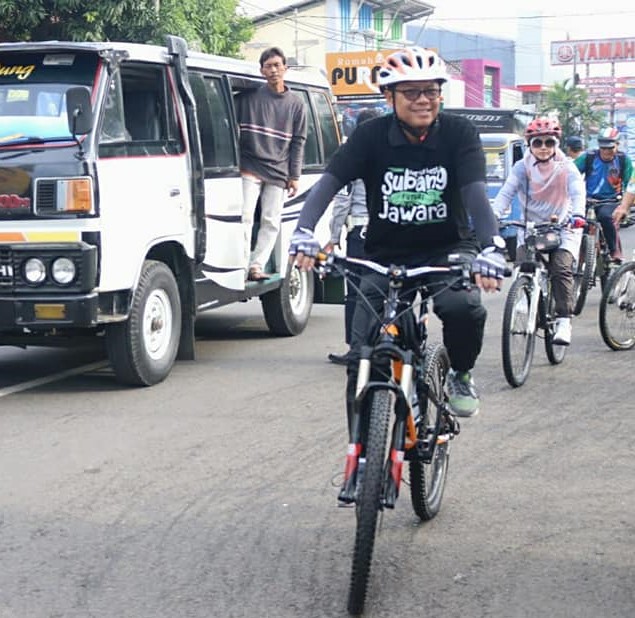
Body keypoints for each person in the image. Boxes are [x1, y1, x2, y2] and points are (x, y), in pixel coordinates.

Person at [289, 46, 507, 434]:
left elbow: (475, 192)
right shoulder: (370, 136)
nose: (423, 100)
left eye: (431, 91)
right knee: (362, 356)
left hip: (448, 249)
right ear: (389, 97)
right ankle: (360, 453)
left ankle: (460, 372)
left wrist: (490, 246)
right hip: (385, 253)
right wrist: (304, 230)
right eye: (411, 92)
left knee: (462, 307)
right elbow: (329, 184)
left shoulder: (459, 134)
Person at [492, 117, 586, 346]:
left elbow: (577, 192)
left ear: (556, 145)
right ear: (529, 145)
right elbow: (506, 193)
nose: (543, 148)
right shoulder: (521, 167)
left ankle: (564, 320)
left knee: (561, 268)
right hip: (531, 225)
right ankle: (525, 294)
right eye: (538, 143)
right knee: (524, 264)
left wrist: (578, 216)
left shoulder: (567, 167)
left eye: (549, 142)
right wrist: (493, 217)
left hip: (564, 224)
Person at [235, 47, 307, 281]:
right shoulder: (248, 99)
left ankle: (256, 265)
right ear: (262, 71)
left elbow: (298, 142)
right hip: (250, 165)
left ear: (285, 68)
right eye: (269, 66)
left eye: (277, 65)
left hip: (278, 170)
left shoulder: (297, 104)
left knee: (270, 221)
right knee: (244, 217)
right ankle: (240, 266)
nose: (274, 70)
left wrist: (294, 176)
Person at [325, 108, 383, 366]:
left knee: (356, 293)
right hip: (385, 233)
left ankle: (356, 348)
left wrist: (333, 236)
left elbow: (342, 199)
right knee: (382, 290)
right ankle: (381, 345)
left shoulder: (354, 155)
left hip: (359, 232)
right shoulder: (388, 153)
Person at [573, 127, 635, 261]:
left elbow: (630, 184)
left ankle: (614, 250)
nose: (606, 151)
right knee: (577, 222)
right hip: (587, 199)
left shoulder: (623, 160)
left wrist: (625, 205)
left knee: (606, 217)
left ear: (617, 145)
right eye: (603, 148)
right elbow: (571, 174)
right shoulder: (588, 157)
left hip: (611, 200)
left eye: (610, 148)